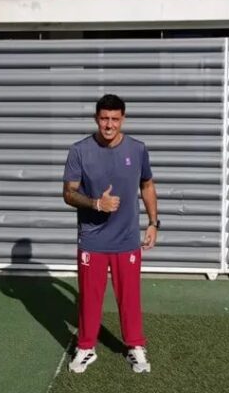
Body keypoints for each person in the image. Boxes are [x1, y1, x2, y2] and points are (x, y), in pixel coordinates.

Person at [62, 93, 159, 374]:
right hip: (92, 239)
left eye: (115, 119)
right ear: (96, 118)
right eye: (104, 118)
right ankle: (85, 347)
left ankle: (135, 346)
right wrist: (96, 203)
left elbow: (147, 185)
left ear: (123, 119)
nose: (109, 124)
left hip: (127, 239)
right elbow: (68, 193)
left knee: (129, 297)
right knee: (90, 298)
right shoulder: (79, 150)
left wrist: (153, 223)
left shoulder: (137, 149)